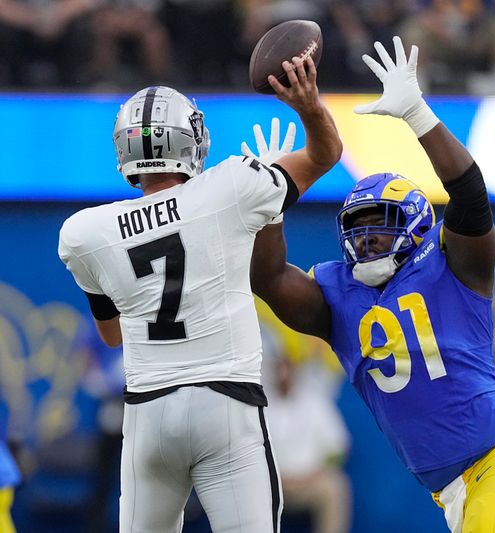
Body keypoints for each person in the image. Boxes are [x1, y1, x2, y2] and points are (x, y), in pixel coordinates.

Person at [250, 36, 495, 533]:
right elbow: (267, 278)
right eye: (358, 228)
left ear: (416, 225)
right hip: (452, 492)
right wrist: (269, 200)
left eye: (380, 225)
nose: (368, 239)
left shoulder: (453, 264)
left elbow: (469, 195)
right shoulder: (337, 294)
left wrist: (418, 115)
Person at [58, 56, 342, 533]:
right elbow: (325, 153)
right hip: (226, 404)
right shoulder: (231, 187)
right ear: (191, 141)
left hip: (148, 415)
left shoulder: (85, 232)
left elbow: (111, 337)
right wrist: (309, 106)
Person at [265, 356, 351, 533]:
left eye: (288, 369)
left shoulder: (315, 403)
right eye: (279, 370)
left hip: (309, 481)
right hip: (270, 484)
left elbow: (338, 448)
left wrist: (316, 473)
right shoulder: (260, 405)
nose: (284, 375)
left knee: (335, 487)